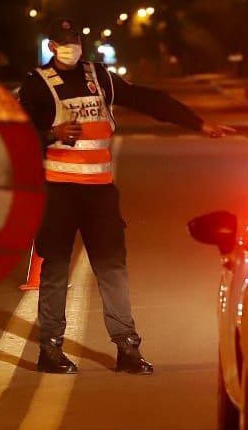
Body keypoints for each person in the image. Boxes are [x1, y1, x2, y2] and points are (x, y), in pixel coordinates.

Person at [19, 19, 235, 375]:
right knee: (56, 272)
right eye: (64, 42)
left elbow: (148, 99)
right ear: (52, 46)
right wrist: (51, 132)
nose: (71, 46)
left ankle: (127, 349)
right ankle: (50, 350)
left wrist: (197, 123)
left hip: (100, 195)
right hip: (58, 193)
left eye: (75, 39)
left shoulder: (99, 77)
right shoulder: (37, 85)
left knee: (113, 270)